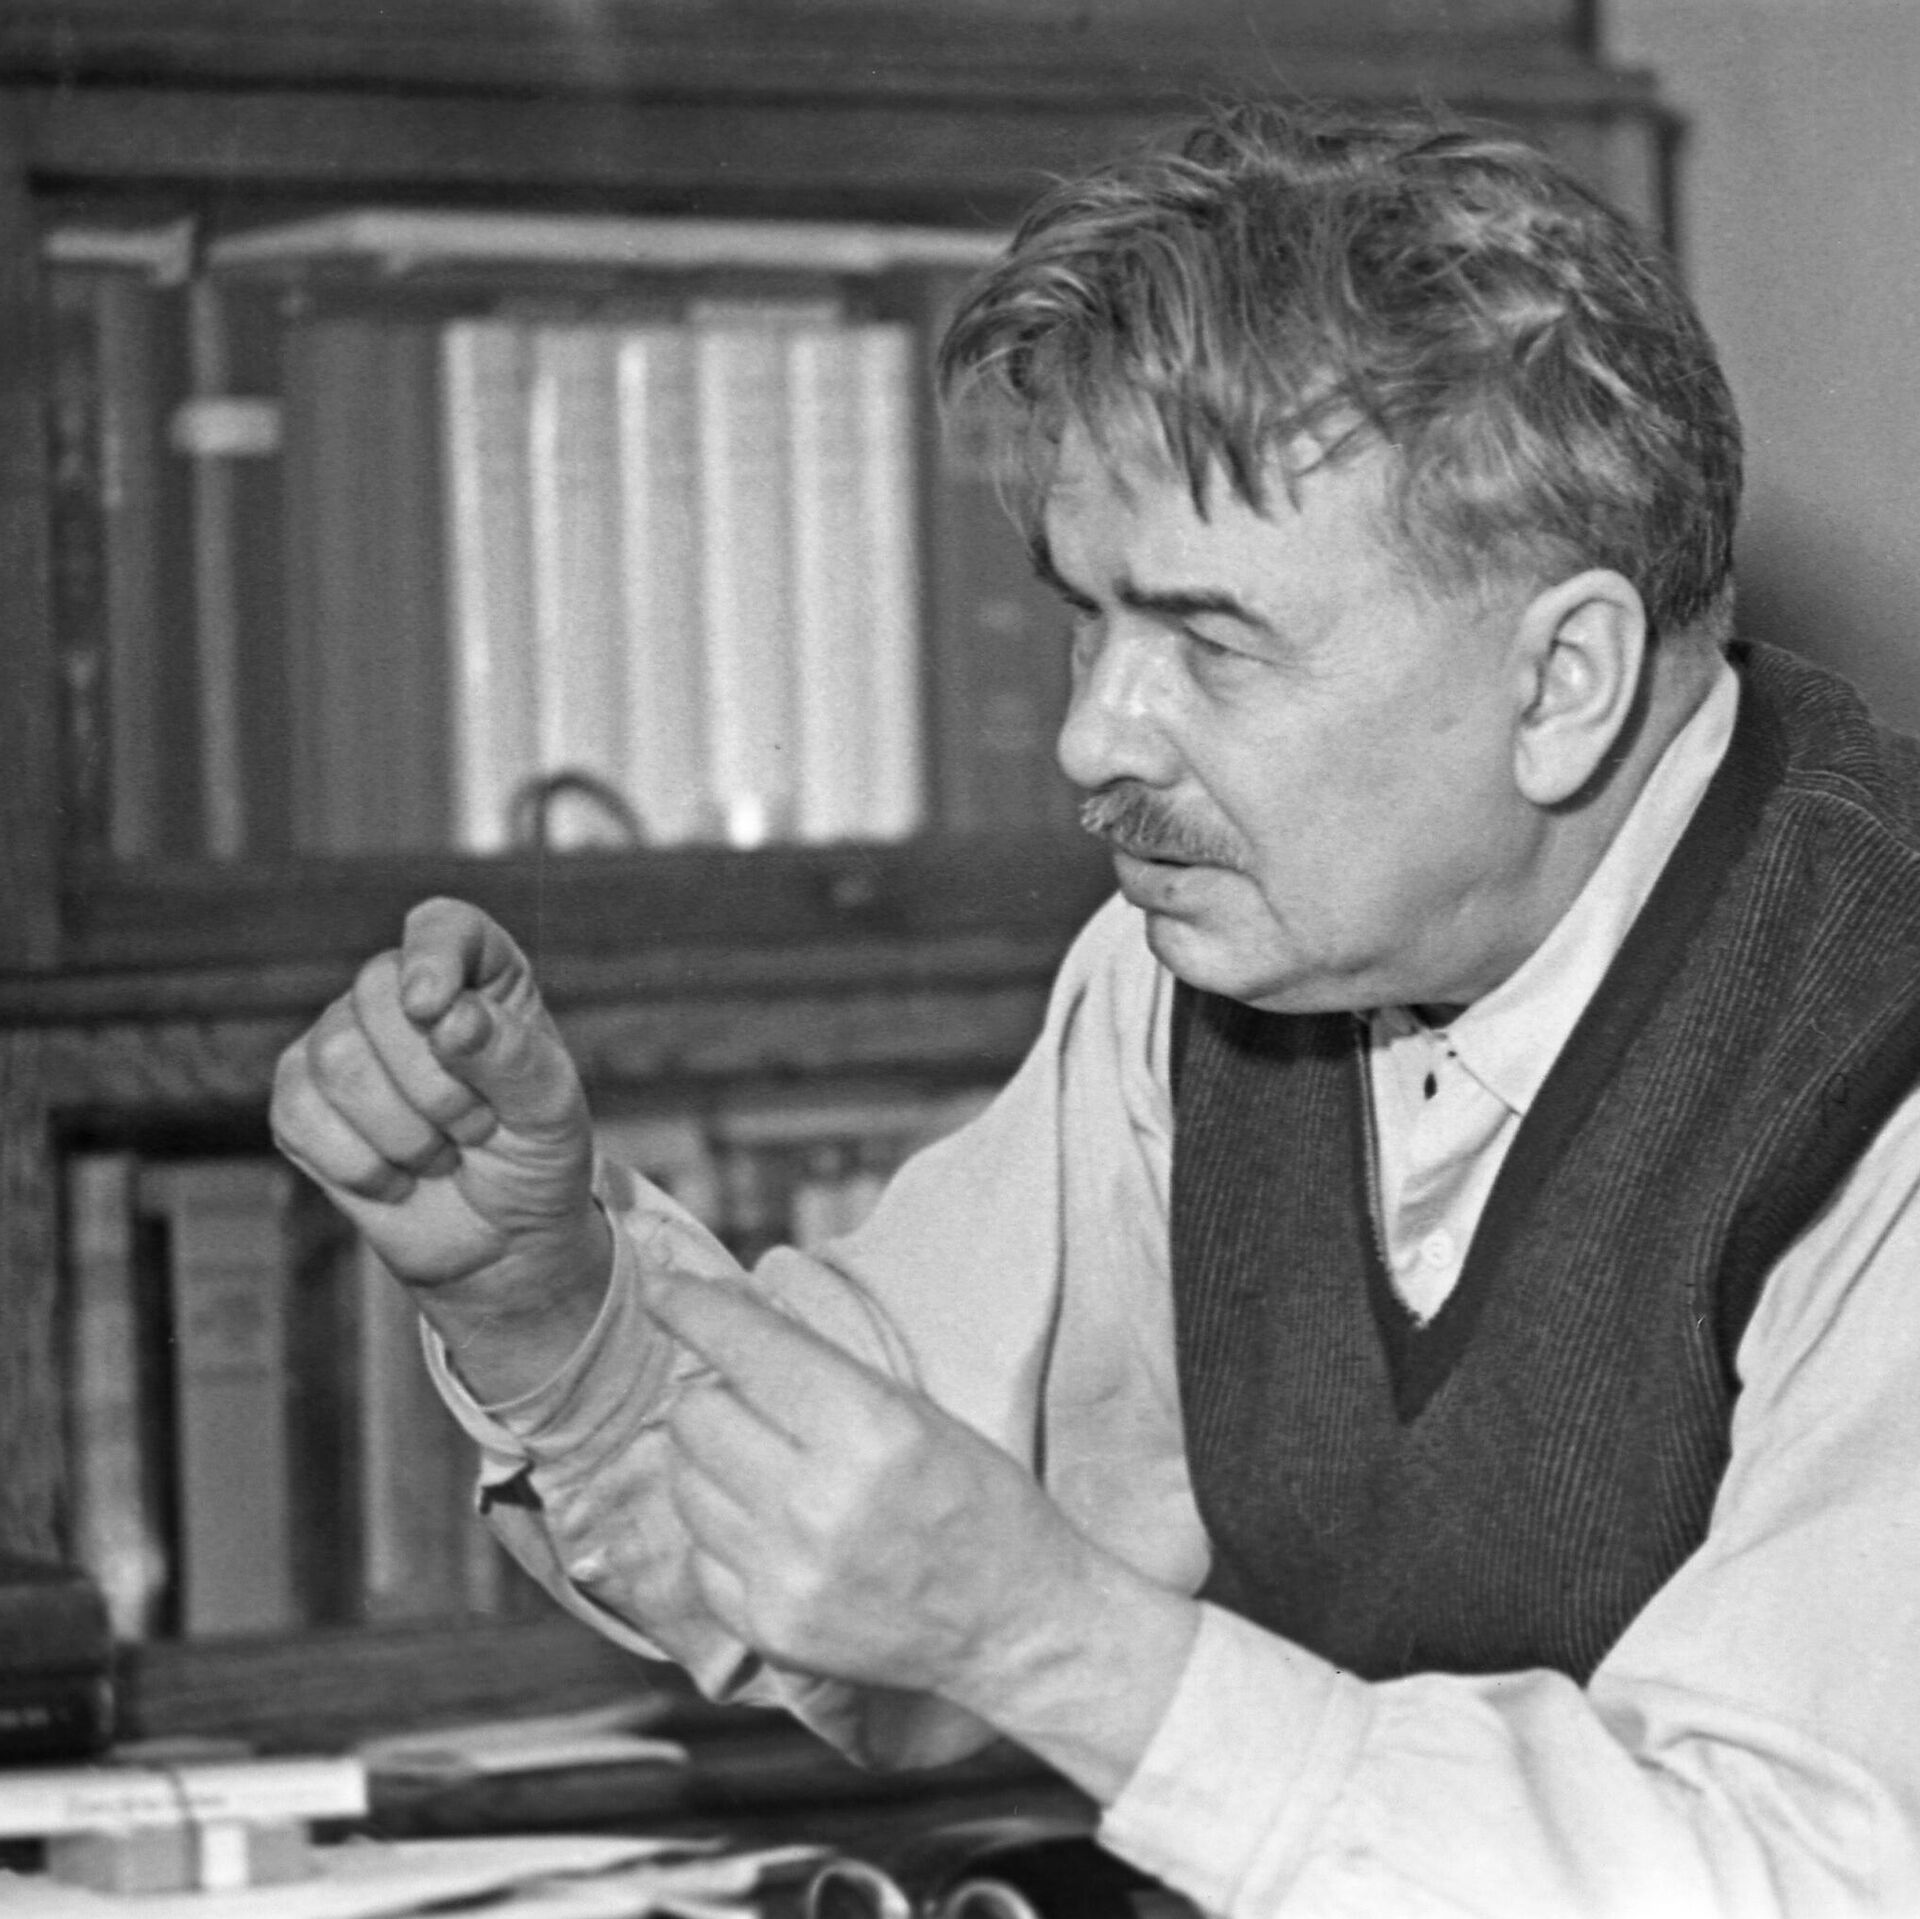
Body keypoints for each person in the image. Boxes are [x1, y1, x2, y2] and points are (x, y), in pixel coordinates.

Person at [270, 100, 1920, 1916]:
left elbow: (1804, 1877)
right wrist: (546, 1304)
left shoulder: (1883, 1059)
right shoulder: (1214, 967)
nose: (1090, 739)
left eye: (1210, 642)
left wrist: (1054, 1641)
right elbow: (862, 1555)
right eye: (1089, 621)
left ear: (1563, 684)